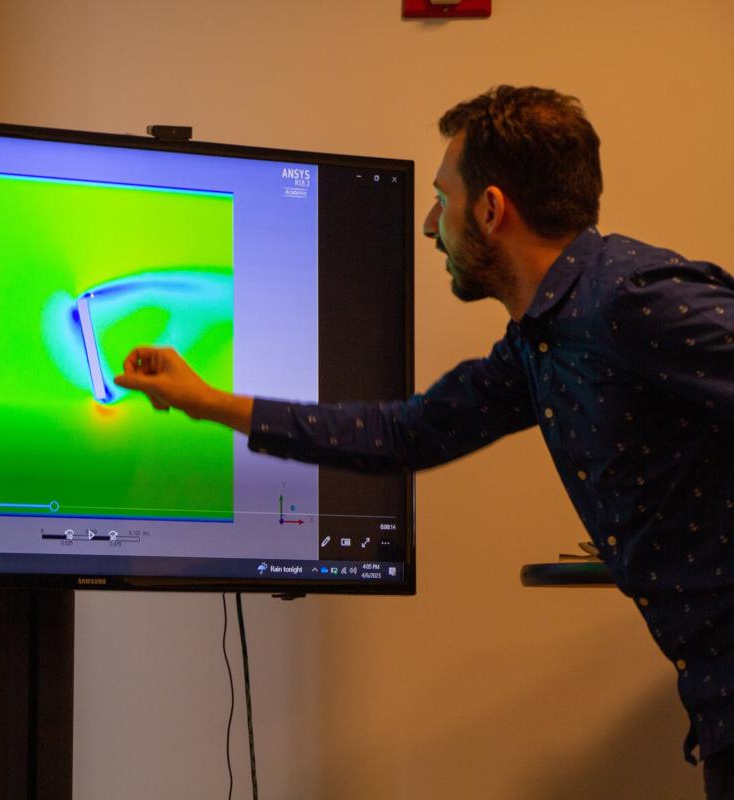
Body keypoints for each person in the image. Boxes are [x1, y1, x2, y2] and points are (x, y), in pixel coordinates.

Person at [113, 86, 734, 797]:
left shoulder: (630, 299)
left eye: (444, 197)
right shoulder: (543, 339)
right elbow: (403, 434)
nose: (429, 223)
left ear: (492, 210)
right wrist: (205, 401)